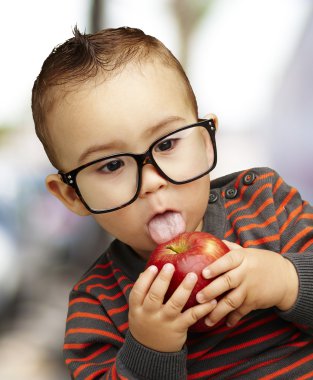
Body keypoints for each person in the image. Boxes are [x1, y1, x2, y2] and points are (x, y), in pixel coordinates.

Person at [31, 26, 313, 379]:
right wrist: (149, 349)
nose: (151, 181)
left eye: (166, 145)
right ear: (71, 195)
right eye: (112, 165)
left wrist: (286, 280)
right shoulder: (98, 307)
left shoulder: (268, 206)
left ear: (206, 141)